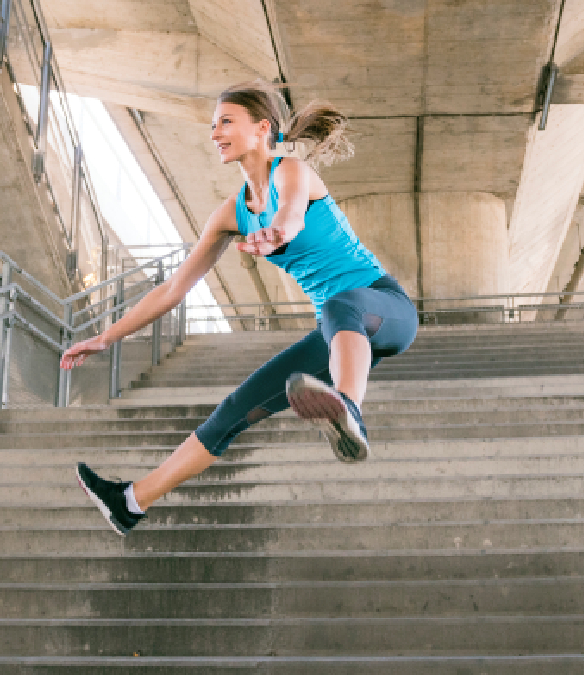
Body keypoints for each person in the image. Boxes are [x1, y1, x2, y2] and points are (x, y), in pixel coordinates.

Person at [61, 80, 419, 535]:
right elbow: (173, 289)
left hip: (383, 308)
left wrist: (277, 235)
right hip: (337, 331)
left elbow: (289, 214)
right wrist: (106, 337)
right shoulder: (230, 214)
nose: (214, 133)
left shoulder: (290, 170)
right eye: (212, 125)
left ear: (261, 128)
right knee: (235, 407)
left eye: (225, 122)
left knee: (339, 306)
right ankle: (131, 501)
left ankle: (349, 410)